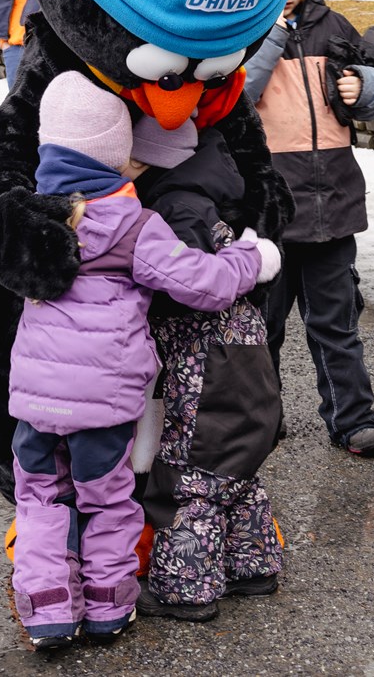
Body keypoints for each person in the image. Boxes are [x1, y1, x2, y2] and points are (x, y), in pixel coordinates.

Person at [8, 71, 276, 650]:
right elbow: (203, 284)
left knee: (41, 500)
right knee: (107, 501)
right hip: (103, 404)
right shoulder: (132, 225)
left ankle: (48, 613)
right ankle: (108, 607)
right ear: (116, 152)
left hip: (34, 401)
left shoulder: (24, 216)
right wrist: (251, 259)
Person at [127, 117, 287, 623]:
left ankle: (184, 589)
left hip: (206, 362)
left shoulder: (176, 208)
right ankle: (252, 567)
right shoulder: (211, 201)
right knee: (235, 470)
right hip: (245, 355)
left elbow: (187, 284)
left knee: (190, 478)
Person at [243, 0, 374, 458]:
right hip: (270, 208)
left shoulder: (334, 26)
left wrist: (364, 87)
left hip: (333, 199)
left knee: (337, 324)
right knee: (262, 326)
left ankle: (353, 420)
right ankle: (262, 416)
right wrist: (270, 35)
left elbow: (366, 96)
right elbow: (239, 93)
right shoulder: (242, 31)